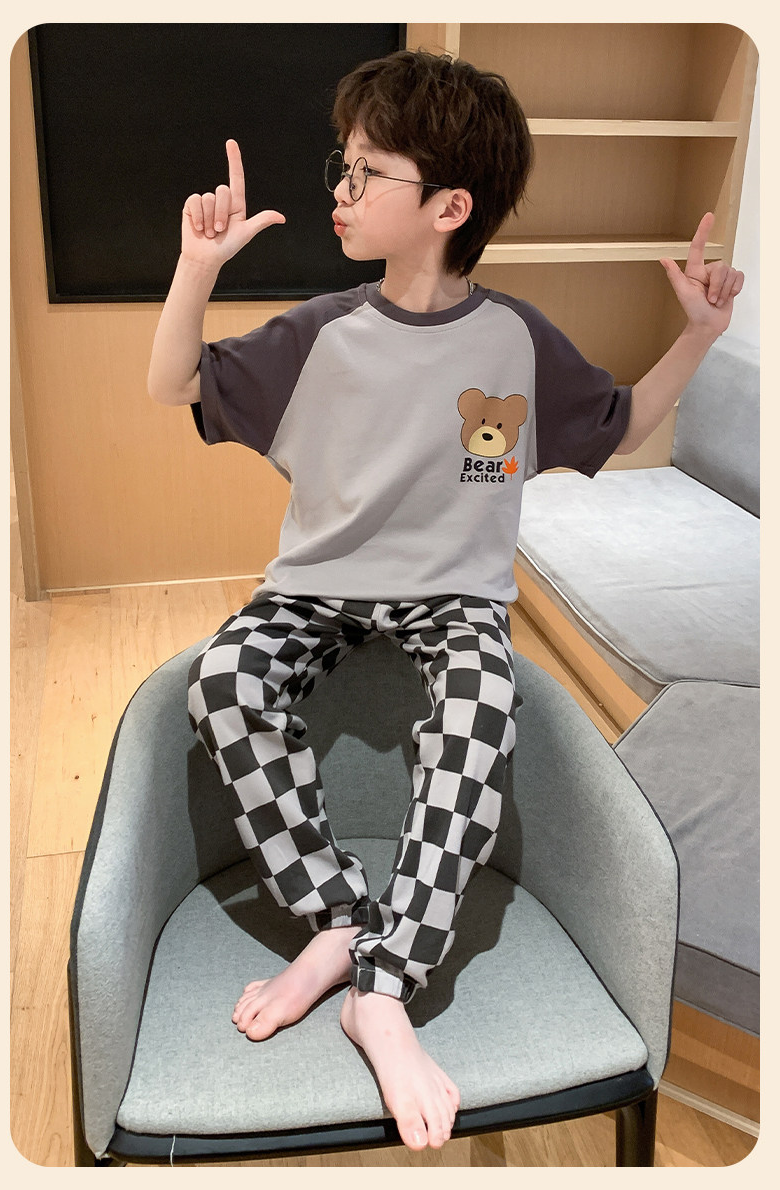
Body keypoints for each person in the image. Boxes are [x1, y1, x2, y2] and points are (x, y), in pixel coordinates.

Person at [147, 49, 744, 1152]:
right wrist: (196, 267)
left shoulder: (516, 339)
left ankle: (385, 986)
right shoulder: (319, 331)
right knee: (223, 680)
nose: (339, 189)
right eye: (343, 164)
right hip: (319, 587)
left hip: (455, 598)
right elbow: (172, 381)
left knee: (482, 705)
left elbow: (617, 424)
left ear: (449, 207)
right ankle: (336, 916)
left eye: (365, 171)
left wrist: (700, 335)